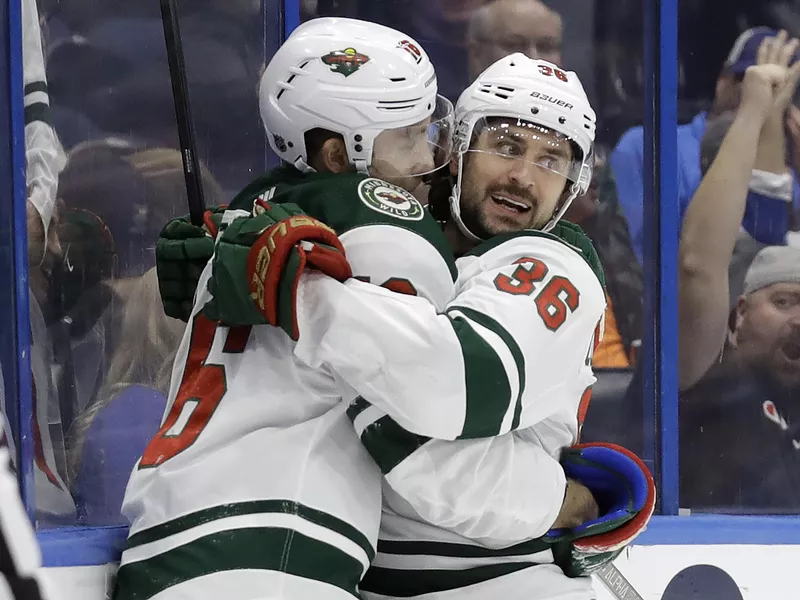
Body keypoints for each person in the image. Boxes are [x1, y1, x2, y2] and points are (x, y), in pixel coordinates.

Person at [140, 46, 654, 600]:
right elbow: (325, 179)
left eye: (552, 161)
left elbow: (457, 385)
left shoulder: (556, 267)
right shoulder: (398, 233)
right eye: (506, 145)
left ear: (572, 188)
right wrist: (228, 240)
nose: (524, 176)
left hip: (506, 584)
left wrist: (293, 288)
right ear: (456, 149)